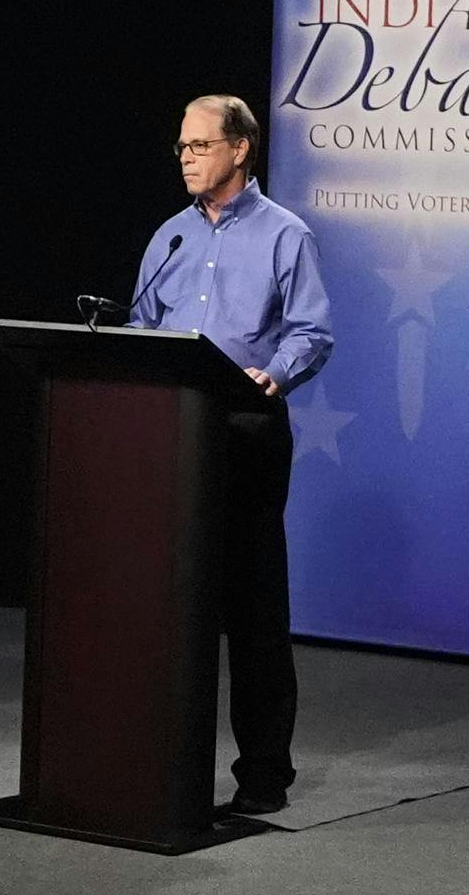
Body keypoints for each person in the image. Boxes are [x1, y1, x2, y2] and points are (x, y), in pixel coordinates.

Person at [127, 94, 334, 815]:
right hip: (173, 437)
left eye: (199, 145)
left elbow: (312, 331)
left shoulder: (286, 236)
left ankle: (264, 775)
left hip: (244, 432)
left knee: (251, 609)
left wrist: (272, 372)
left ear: (240, 149)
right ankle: (154, 759)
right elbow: (139, 327)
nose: (185, 157)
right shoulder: (169, 239)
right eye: (180, 147)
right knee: (165, 604)